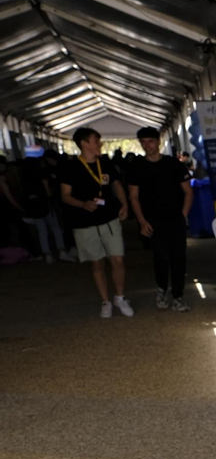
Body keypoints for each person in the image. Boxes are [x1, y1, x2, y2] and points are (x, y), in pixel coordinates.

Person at [58, 127, 132, 318]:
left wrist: (124, 203)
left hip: (110, 219)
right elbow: (65, 196)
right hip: (85, 223)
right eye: (95, 141)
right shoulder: (70, 167)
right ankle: (105, 301)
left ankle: (120, 297)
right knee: (97, 263)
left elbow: (115, 184)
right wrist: (82, 204)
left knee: (117, 259)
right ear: (84, 143)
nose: (99, 144)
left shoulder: (105, 162)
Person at [126, 127, 195, 312]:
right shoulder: (137, 167)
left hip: (175, 219)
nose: (147, 145)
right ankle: (162, 289)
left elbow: (188, 191)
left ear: (158, 142)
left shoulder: (173, 164)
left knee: (179, 258)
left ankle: (178, 296)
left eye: (150, 141)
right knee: (160, 258)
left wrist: (183, 215)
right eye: (143, 142)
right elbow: (133, 196)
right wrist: (141, 221)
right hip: (152, 221)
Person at [17, 155, 67, 262]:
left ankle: (47, 254)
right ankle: (61, 251)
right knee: (56, 228)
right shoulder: (41, 174)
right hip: (46, 205)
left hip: (34, 208)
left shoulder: (24, 177)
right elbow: (47, 191)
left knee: (42, 232)